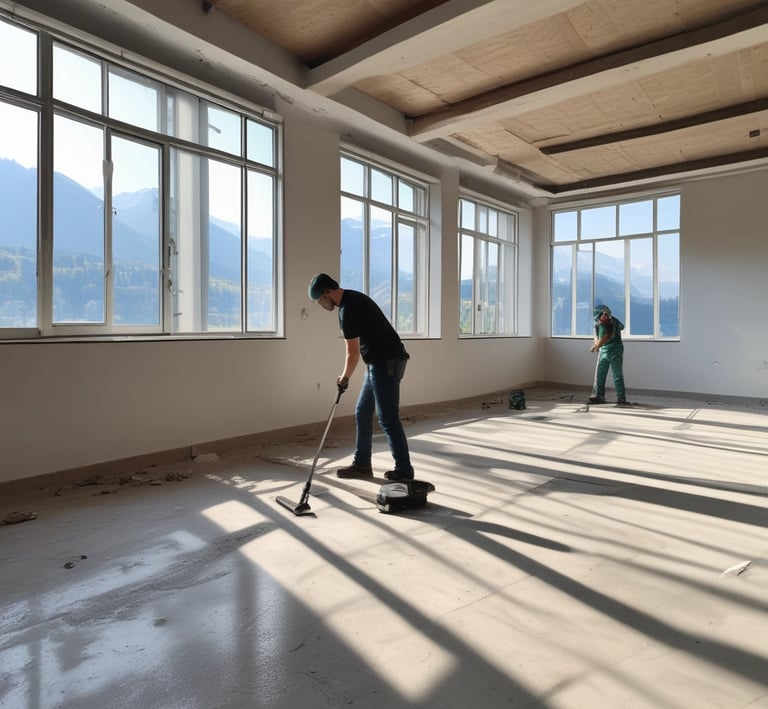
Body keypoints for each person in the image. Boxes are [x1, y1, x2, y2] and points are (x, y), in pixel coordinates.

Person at [308, 273, 415, 481]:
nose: (321, 305)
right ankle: (362, 464)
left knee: (388, 418)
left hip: (387, 363)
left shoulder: (347, 310)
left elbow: (353, 353)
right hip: (378, 363)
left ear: (326, 292)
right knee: (363, 411)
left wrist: (344, 378)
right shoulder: (352, 298)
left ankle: (404, 470)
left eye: (320, 301)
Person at [589, 304, 629, 406]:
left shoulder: (611, 323)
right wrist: (597, 345)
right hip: (604, 351)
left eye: (605, 314)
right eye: (601, 316)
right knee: (600, 374)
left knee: (617, 375)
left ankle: (621, 398)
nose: (603, 317)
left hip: (615, 350)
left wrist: (596, 346)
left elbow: (606, 337)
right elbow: (598, 337)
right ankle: (598, 396)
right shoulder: (599, 324)